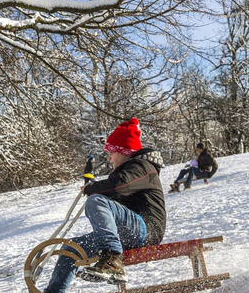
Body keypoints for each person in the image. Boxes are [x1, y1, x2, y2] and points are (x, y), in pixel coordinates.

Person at [44, 118, 166, 292]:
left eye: (111, 151)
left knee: (96, 200)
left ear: (124, 150)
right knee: (71, 248)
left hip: (146, 228)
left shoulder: (143, 166)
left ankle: (111, 259)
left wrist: (93, 189)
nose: (108, 157)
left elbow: (119, 185)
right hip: (125, 232)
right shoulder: (129, 169)